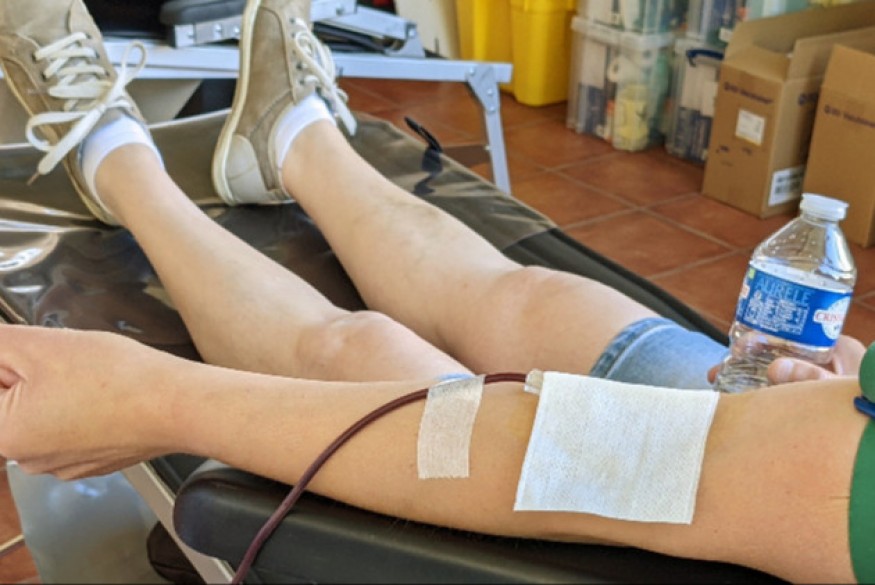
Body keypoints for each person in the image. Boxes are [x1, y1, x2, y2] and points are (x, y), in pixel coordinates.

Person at [0, 0, 869, 583]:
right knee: (527, 299)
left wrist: (154, 398)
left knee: (366, 356)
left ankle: (117, 165)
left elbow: (662, 463)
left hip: (816, 497)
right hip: (830, 436)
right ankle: (291, 139)